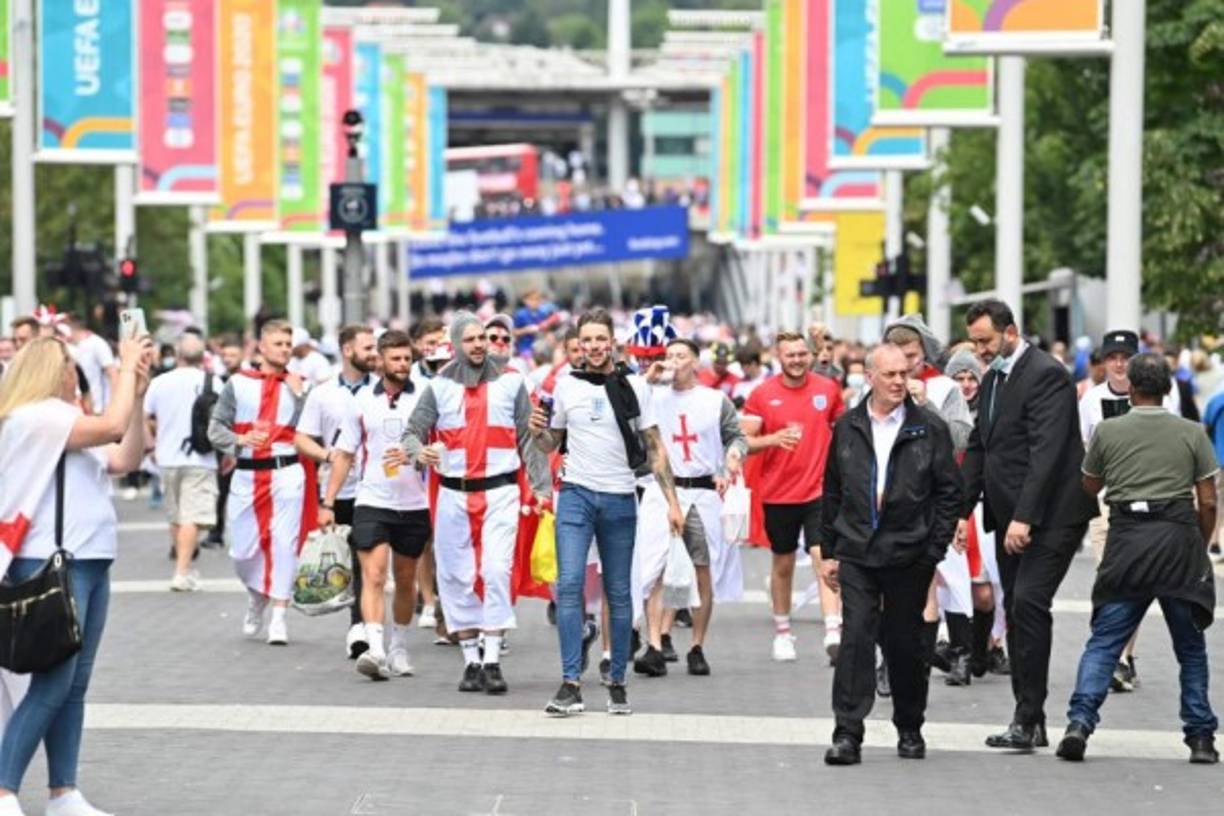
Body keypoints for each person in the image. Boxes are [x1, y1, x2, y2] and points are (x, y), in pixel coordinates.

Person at [0, 333, 153, 816]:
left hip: (88, 560)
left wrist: (140, 393)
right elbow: (110, 428)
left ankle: (63, 792)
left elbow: (125, 458)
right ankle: (3, 791)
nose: (76, 373)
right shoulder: (37, 417)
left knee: (73, 686)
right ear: (51, 370)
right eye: (70, 365)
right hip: (52, 560)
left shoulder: (65, 422)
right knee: (52, 683)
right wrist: (124, 367)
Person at [1057, 353, 1219, 764]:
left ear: (1129, 386)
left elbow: (1090, 485)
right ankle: (1200, 737)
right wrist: (1198, 542)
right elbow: (1208, 499)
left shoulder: (1109, 432)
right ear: (1168, 388)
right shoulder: (1191, 432)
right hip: (1177, 538)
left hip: (1128, 540)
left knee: (1106, 641)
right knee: (1190, 646)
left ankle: (1079, 723)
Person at [529, 308, 685, 717]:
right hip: (576, 494)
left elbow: (653, 445)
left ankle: (616, 681)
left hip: (619, 496)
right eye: (588, 341)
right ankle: (569, 684)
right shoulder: (566, 386)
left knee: (619, 593)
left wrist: (672, 502)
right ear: (578, 346)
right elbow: (551, 444)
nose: (595, 348)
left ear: (613, 341)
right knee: (569, 586)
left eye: (602, 340)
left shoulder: (634, 384)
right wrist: (536, 431)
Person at [958, 299, 1098, 750]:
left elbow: (1048, 451)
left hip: (1051, 516)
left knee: (1029, 603)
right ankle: (1030, 717)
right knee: (1016, 607)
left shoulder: (1046, 374)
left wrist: (1024, 517)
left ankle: (1026, 717)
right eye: (975, 341)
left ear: (1010, 332)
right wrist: (960, 510)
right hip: (1007, 515)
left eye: (986, 341)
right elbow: (983, 446)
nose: (978, 350)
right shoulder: (995, 376)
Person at [819, 344, 962, 765]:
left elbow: (949, 493)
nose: (899, 381)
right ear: (870, 377)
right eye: (891, 374)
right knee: (856, 638)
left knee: (904, 644)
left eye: (905, 373)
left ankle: (910, 726)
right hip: (858, 551)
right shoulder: (849, 426)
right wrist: (830, 551)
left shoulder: (928, 428)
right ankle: (847, 733)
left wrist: (931, 550)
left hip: (909, 554)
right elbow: (832, 490)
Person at [403, 313, 551, 695]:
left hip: (501, 493)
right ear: (456, 343)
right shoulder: (438, 388)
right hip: (454, 494)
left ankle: (492, 659)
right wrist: (420, 452)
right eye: (469, 339)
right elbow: (412, 433)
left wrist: (541, 486)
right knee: (455, 577)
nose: (478, 345)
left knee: (497, 570)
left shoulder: (510, 383)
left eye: (482, 337)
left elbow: (527, 437)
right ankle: (471, 661)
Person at [630, 338, 748, 678]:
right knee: (654, 569)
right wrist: (649, 380)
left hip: (702, 492)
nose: (674, 361)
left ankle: (697, 645)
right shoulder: (652, 397)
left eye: (681, 356)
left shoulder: (714, 401)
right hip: (664, 490)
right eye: (669, 355)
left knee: (702, 568)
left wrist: (734, 455)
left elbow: (735, 436)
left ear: (696, 362)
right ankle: (653, 645)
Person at [320, 331, 431, 682]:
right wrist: (328, 500)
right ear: (381, 360)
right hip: (372, 499)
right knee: (373, 574)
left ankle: (398, 645)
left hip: (414, 502)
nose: (402, 365)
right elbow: (345, 454)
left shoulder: (426, 398)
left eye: (407, 359)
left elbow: (443, 446)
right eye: (395, 358)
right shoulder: (362, 400)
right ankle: (376, 649)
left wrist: (419, 455)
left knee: (405, 579)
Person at [1079, 329, 1180, 692]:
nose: (1119, 364)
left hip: (1151, 503)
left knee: (1133, 580)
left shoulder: (1165, 398)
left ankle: (1121, 658)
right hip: (1106, 503)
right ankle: (1119, 657)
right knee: (1110, 579)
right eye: (1112, 357)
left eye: (1125, 357)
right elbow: (1085, 451)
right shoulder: (1091, 400)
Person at [207, 320, 312, 646]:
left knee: (284, 542)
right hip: (248, 473)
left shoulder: (300, 386)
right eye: (277, 343)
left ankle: (279, 615)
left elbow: (311, 429)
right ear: (261, 347)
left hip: (287, 472)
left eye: (287, 343)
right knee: (243, 550)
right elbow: (215, 429)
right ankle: (257, 596)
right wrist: (239, 439)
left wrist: (299, 396)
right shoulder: (238, 383)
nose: (284, 349)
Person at [742, 331, 844, 662]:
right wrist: (773, 440)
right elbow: (744, 442)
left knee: (824, 558)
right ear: (778, 357)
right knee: (782, 564)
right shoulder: (761, 394)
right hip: (778, 493)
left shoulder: (827, 390)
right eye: (791, 355)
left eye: (802, 354)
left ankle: (833, 630)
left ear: (810, 355)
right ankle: (783, 633)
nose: (797, 360)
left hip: (819, 490)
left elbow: (843, 429)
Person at [883, 316, 975, 683]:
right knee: (897, 584)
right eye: (898, 357)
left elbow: (960, 439)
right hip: (894, 499)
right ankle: (898, 661)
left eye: (912, 357)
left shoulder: (944, 388)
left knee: (952, 576)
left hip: (938, 496)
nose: (905, 366)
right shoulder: (880, 386)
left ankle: (962, 651)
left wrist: (927, 408)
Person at [293, 325, 378, 659]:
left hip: (376, 490)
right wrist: (329, 456)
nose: (374, 353)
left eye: (375, 348)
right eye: (367, 347)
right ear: (347, 350)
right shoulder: (323, 393)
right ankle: (359, 626)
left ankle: (362, 628)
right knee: (351, 561)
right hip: (338, 489)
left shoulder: (385, 391)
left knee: (369, 563)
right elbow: (301, 438)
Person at [944, 348, 1009, 678]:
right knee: (955, 587)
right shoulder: (940, 411)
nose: (966, 385)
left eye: (972, 378)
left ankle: (985, 648)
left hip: (981, 507)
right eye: (959, 378)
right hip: (949, 508)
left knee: (986, 593)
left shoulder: (990, 412)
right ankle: (962, 653)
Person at [142, 333, 222, 591]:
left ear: (177, 354)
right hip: (202, 457)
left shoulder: (160, 382)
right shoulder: (214, 382)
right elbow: (225, 422)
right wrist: (228, 453)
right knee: (192, 516)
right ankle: (182, 571)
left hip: (166, 457)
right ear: (202, 356)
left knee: (176, 516)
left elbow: (143, 416)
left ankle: (183, 564)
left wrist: (150, 445)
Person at [513, 288, 559, 358]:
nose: (535, 302)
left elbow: (545, 330)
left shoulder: (542, 313)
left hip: (540, 344)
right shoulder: (520, 315)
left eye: (537, 299)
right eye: (532, 300)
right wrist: (526, 330)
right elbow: (513, 332)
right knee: (531, 362)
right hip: (526, 347)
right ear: (525, 301)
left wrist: (548, 334)